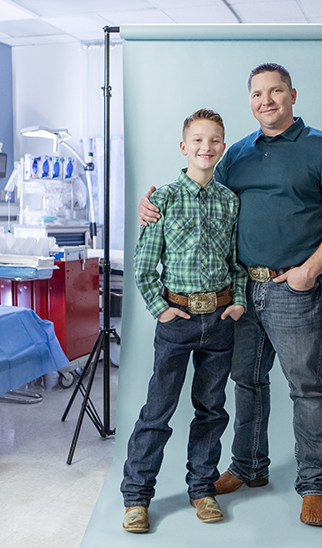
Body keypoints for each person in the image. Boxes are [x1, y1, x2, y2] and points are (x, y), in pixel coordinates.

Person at [138, 63, 322, 528]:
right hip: (240, 293)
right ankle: (248, 467)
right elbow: (202, 192)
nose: (267, 100)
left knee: (306, 387)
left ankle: (315, 484)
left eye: (276, 91)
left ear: (293, 94)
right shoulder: (236, 153)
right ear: (250, 101)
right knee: (247, 383)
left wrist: (309, 271)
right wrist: (151, 202)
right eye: (258, 93)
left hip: (293, 290)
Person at [121, 108, 248, 533]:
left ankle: (202, 488)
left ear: (223, 147)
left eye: (214, 140)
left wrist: (238, 302)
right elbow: (143, 265)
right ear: (183, 146)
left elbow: (236, 262)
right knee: (158, 409)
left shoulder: (229, 201)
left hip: (220, 320)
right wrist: (161, 308)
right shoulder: (163, 199)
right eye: (197, 140)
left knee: (211, 409)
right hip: (177, 321)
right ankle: (137, 497)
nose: (205, 147)